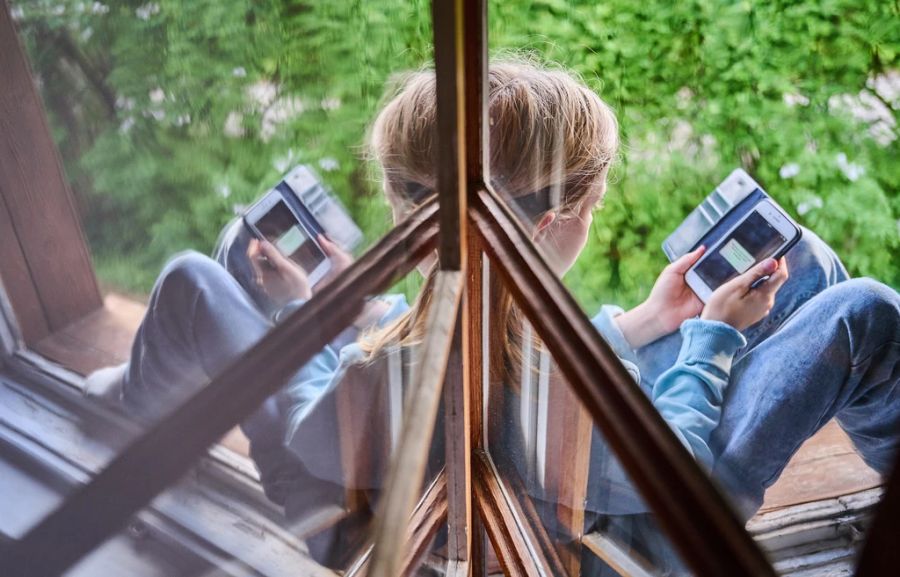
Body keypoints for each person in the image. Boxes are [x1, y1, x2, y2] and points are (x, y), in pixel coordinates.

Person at [96, 61, 900, 573]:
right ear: (555, 225)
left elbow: (473, 368)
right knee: (859, 306)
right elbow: (673, 469)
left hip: (452, 436)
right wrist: (711, 336)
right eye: (595, 192)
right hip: (635, 527)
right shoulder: (540, 382)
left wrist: (646, 322)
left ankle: (130, 403)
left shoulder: (436, 333)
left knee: (203, 272)